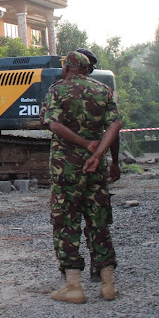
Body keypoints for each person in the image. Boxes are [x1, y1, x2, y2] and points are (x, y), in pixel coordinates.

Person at [41, 51, 122, 304]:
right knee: (98, 219)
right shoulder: (103, 90)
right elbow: (114, 126)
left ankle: (74, 285)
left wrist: (85, 144)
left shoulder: (57, 90)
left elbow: (54, 125)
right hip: (95, 167)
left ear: (68, 67)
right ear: (87, 70)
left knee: (66, 221)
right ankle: (108, 283)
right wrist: (101, 155)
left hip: (66, 169)